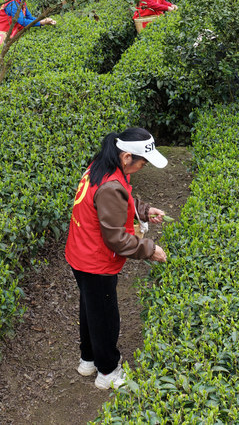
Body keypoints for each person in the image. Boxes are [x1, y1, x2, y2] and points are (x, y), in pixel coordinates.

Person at [64, 127, 169, 390]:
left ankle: (88, 359)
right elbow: (117, 239)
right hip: (96, 261)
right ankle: (107, 371)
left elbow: (118, 201)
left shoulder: (101, 166)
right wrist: (150, 249)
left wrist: (143, 210)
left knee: (91, 308)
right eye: (143, 162)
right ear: (126, 157)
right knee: (105, 317)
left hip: (80, 251)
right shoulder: (111, 185)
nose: (143, 167)